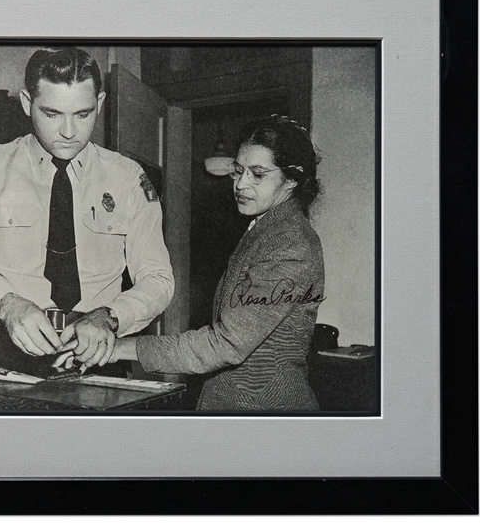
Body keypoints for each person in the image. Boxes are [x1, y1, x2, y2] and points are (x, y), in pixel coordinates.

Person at [0, 46, 174, 372]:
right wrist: (5, 306)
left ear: (99, 103)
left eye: (83, 114)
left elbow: (158, 278)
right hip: (7, 358)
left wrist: (110, 316)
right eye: (52, 114)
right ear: (28, 103)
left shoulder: (128, 179)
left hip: (97, 357)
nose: (69, 132)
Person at [82, 115, 326, 411]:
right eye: (238, 171)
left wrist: (119, 348)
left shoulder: (289, 243)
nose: (241, 184)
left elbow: (226, 344)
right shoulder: (265, 229)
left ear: (292, 178)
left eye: (258, 174)